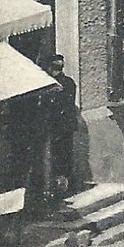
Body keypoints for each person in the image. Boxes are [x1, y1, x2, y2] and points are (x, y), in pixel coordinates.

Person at [41, 55, 80, 197]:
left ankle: (61, 189)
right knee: (66, 156)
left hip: (58, 128)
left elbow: (55, 107)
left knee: (58, 158)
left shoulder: (54, 85)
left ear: (51, 68)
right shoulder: (70, 82)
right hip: (67, 127)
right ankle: (68, 186)